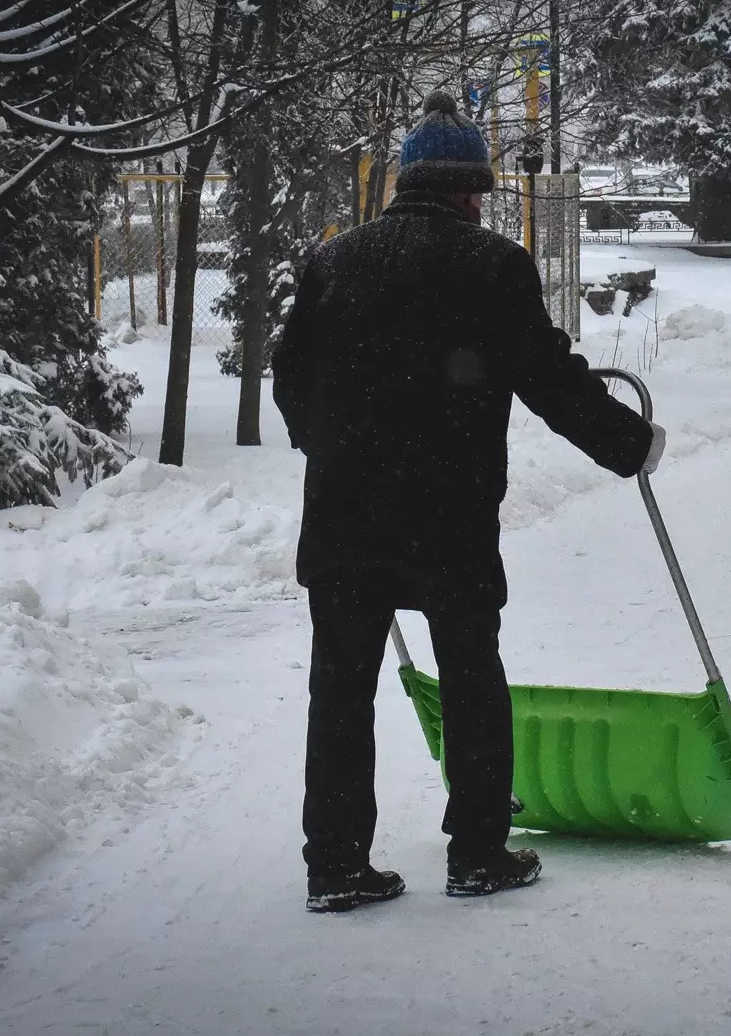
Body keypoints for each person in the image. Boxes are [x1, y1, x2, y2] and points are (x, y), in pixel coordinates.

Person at [272, 90, 664, 913]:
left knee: (339, 687)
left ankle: (337, 865)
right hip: (445, 514)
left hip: (345, 514)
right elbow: (551, 379)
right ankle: (478, 853)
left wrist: (330, 446)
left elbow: (289, 377)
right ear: (466, 190)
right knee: (470, 673)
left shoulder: (334, 262)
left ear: (405, 183)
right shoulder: (489, 266)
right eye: (479, 192)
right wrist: (627, 444)